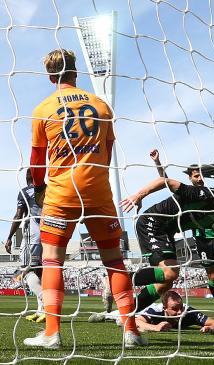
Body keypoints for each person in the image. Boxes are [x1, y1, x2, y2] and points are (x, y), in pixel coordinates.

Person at [23, 49, 146, 349]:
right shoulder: (101, 105)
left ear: (51, 77)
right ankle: (131, 331)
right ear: (77, 72)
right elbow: (108, 149)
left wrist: (38, 188)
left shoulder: (44, 108)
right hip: (99, 192)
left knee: (52, 261)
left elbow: (36, 163)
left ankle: (52, 333)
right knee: (115, 261)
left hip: (62, 193)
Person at [119, 176, 214, 322]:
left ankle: (128, 314)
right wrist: (139, 195)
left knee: (165, 284)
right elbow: (166, 181)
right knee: (170, 273)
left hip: (167, 232)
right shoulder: (204, 195)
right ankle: (118, 277)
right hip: (153, 222)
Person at [149, 150, 214, 321]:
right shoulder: (189, 195)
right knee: (213, 275)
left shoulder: (212, 194)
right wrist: (158, 164)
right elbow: (167, 182)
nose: (199, 178)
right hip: (202, 239)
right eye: (195, 176)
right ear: (190, 178)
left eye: (201, 175)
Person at [4, 170, 45, 323]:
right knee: (40, 272)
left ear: (27, 177)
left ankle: (47, 305)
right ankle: (41, 310)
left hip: (33, 233)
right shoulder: (49, 188)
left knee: (25, 271)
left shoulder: (25, 191)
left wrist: (9, 237)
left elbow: (18, 215)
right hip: (49, 232)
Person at [96, 291, 214, 334]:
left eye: (181, 307)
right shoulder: (156, 310)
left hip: (142, 318)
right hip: (134, 313)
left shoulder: (189, 312)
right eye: (174, 309)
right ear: (164, 308)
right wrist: (155, 327)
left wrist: (210, 328)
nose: (179, 312)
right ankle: (103, 315)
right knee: (122, 319)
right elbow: (135, 320)